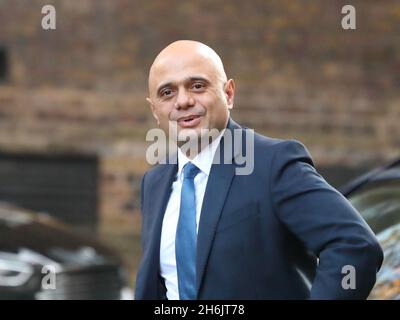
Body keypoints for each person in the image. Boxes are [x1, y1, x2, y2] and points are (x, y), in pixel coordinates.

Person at [135, 40, 383, 300]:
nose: (183, 101)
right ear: (154, 110)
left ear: (228, 94)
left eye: (197, 86)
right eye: (167, 93)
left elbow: (354, 246)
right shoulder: (154, 183)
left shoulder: (272, 163)